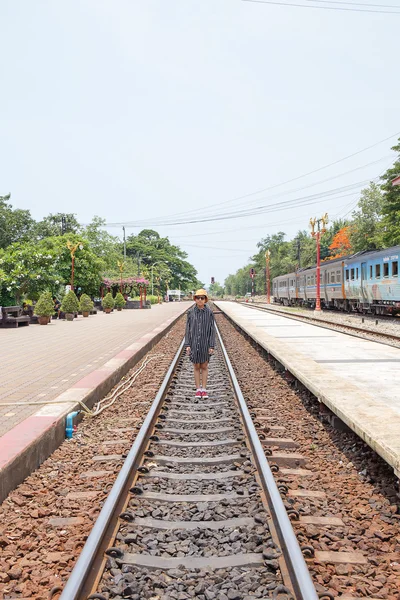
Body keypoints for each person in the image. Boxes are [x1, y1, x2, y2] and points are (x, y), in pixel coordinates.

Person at [185, 288, 215, 399]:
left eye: (202, 298)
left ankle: (204, 389)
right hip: (194, 343)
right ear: (195, 299)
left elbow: (212, 330)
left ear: (205, 299)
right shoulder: (191, 312)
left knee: (204, 366)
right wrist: (187, 344)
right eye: (198, 298)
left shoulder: (209, 313)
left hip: (205, 343)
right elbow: (187, 330)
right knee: (196, 366)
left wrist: (212, 345)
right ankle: (198, 389)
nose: (200, 300)